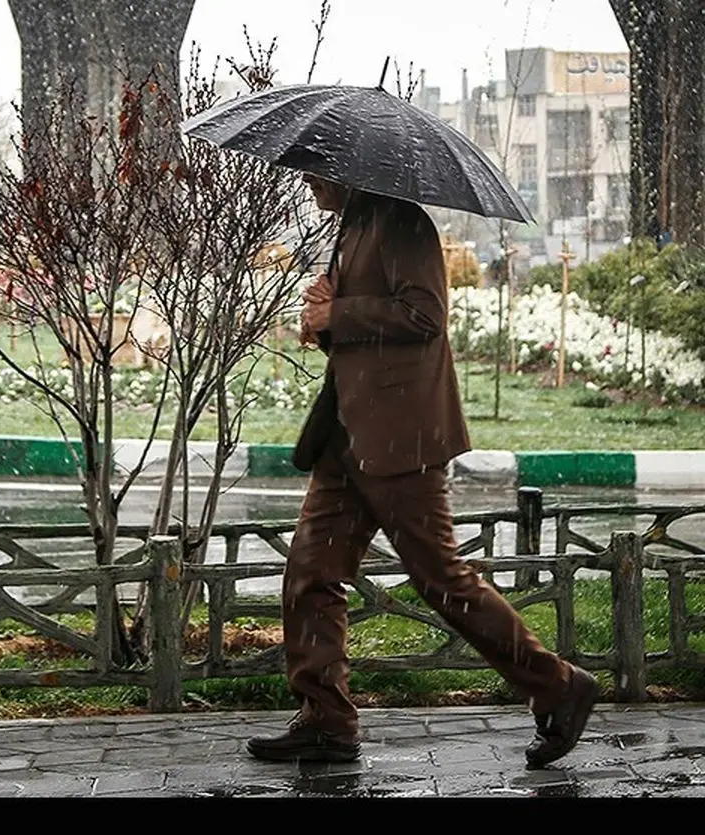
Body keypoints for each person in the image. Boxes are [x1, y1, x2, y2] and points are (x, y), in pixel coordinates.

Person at [246, 177, 599, 769]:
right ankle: (326, 721)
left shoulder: (402, 222)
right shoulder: (357, 222)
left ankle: (558, 685)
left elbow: (425, 314)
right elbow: (366, 329)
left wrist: (341, 311)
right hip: (345, 438)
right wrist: (324, 320)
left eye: (313, 171)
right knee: (310, 573)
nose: (306, 182)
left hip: (399, 438)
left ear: (343, 167)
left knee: (442, 579)